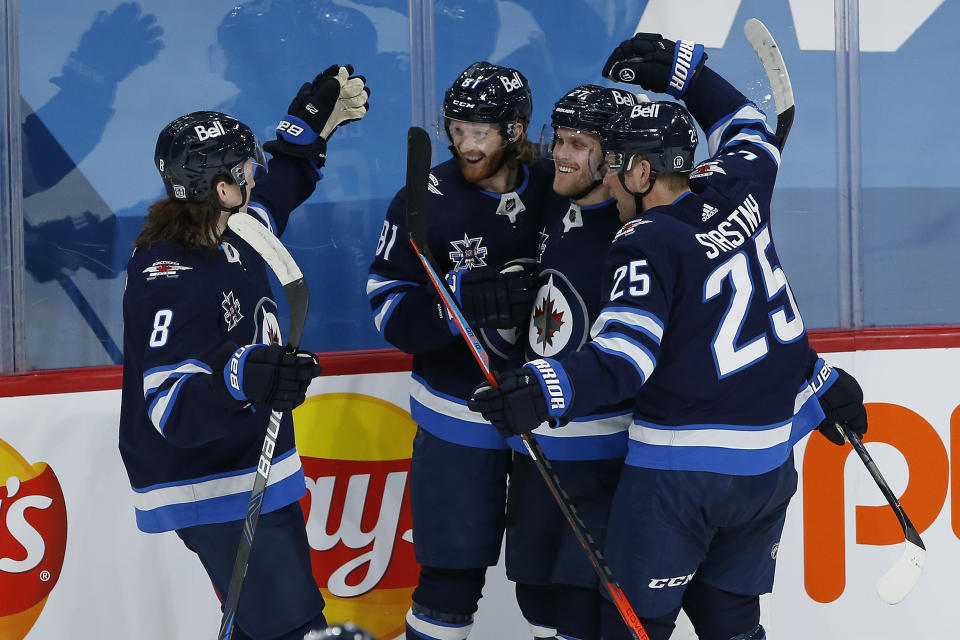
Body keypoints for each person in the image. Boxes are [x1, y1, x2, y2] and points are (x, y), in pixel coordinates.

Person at [469, 34, 869, 640]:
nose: (606, 182)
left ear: (641, 170)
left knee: (629, 624)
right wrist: (688, 72)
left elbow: (623, 359)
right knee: (730, 618)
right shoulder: (741, 192)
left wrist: (544, 386)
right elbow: (748, 126)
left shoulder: (646, 240)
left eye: (613, 167)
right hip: (767, 467)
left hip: (682, 472)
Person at [118, 64, 369, 640]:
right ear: (222, 188)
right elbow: (170, 408)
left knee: (266, 621)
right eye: (244, 169)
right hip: (207, 476)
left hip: (250, 454)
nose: (254, 176)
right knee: (290, 622)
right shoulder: (166, 274)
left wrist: (308, 134)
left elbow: (280, 189)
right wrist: (241, 375)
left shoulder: (237, 228)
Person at [366, 61, 549, 640]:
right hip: (458, 415)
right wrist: (460, 301)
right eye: (457, 128)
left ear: (516, 131)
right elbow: (390, 308)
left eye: (482, 132)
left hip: (547, 413)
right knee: (449, 582)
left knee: (554, 589)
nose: (466, 144)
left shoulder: (555, 182)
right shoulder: (424, 199)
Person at [505, 84, 642, 640]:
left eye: (577, 143)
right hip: (537, 444)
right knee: (534, 591)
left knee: (582, 603)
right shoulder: (547, 199)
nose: (560, 152)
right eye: (559, 138)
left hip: (606, 452)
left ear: (611, 157)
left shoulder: (637, 232)